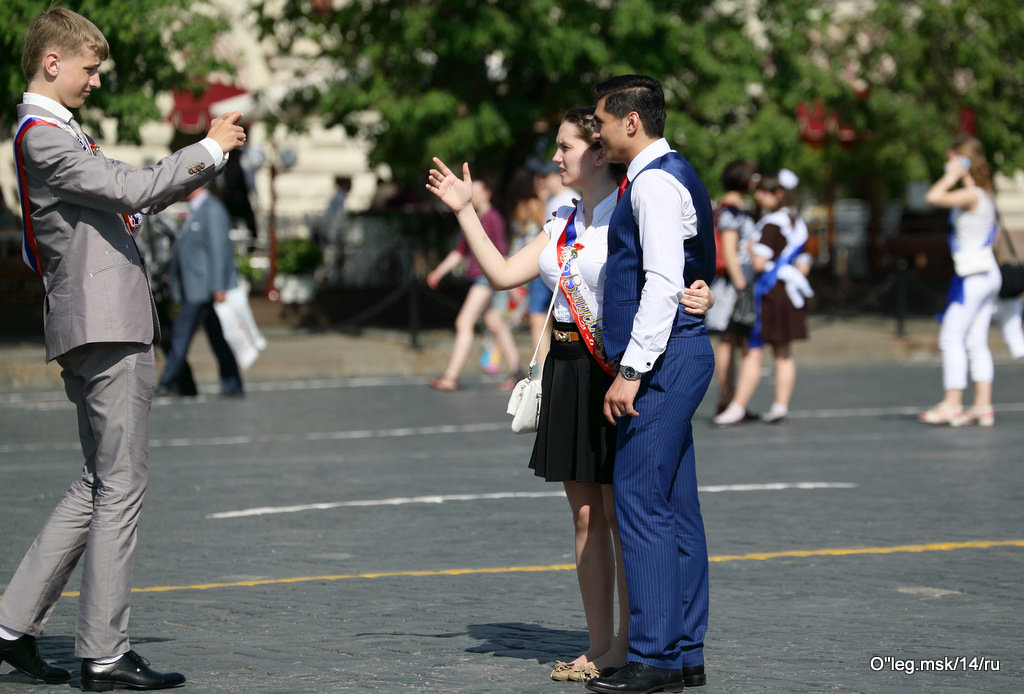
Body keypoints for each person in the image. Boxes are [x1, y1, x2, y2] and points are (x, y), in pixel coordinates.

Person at [0, 7, 245, 690]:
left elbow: (134, 200)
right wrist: (210, 148)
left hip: (95, 323)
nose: (97, 81)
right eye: (89, 67)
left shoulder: (56, 136)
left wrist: (179, 172)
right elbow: (134, 188)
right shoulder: (44, 137)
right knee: (121, 486)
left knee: (99, 481)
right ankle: (103, 652)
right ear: (52, 62)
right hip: (104, 325)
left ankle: (11, 623)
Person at [425, 108, 714, 685]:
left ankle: (639, 644)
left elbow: (669, 275)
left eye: (566, 146)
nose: (556, 157)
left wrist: (699, 295)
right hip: (567, 370)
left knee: (626, 510)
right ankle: (602, 640)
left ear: (598, 151)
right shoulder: (564, 219)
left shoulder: (627, 214)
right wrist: (464, 211)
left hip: (613, 369)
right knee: (586, 517)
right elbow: (505, 273)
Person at [588, 74, 716, 694]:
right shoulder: (671, 174)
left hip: (663, 360)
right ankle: (685, 651)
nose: (599, 132)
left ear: (631, 121)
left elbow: (665, 282)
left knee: (641, 505)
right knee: (677, 508)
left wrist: (632, 372)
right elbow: (694, 271)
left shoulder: (654, 184)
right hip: (680, 352)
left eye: (602, 122)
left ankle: (656, 658)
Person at [714, 170, 813, 426]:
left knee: (752, 350)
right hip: (790, 295)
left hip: (768, 293)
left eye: (765, 191)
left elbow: (758, 263)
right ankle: (780, 406)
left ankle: (737, 406)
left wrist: (750, 250)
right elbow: (804, 267)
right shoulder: (797, 222)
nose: (759, 196)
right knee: (783, 352)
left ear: (779, 194)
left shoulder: (771, 223)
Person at [918, 136, 1000, 427]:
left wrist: (951, 176)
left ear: (964, 161)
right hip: (987, 272)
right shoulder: (986, 194)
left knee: (951, 337)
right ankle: (982, 406)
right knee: (976, 341)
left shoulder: (972, 195)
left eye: (951, 158)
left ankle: (951, 404)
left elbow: (933, 197)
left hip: (972, 277)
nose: (946, 162)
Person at [426, 176, 523, 391]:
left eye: (478, 191)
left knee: (464, 322)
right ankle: (518, 373)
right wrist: (438, 272)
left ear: (488, 193)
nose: (474, 195)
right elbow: (460, 251)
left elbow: (502, 253)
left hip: (485, 279)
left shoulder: (493, 218)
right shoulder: (475, 217)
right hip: (481, 279)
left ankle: (451, 377)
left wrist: (513, 285)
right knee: (496, 324)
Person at [155, 184, 245, 398]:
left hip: (203, 289)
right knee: (217, 339)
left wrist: (218, 286)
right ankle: (232, 384)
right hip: (197, 288)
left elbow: (218, 249)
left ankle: (168, 381)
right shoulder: (197, 209)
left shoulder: (212, 209)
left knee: (181, 335)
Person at [704, 160, 759, 416]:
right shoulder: (730, 213)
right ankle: (727, 398)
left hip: (732, 283)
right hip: (731, 285)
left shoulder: (730, 210)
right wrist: (742, 287)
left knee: (731, 341)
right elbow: (729, 250)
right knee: (727, 340)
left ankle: (733, 399)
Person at [527, 158, 579, 369]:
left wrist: (541, 201)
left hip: (560, 268)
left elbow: (546, 233)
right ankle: (541, 367)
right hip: (547, 267)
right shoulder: (552, 200)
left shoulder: (569, 199)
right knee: (539, 319)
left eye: (546, 177)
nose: (543, 182)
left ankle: (544, 368)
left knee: (547, 319)